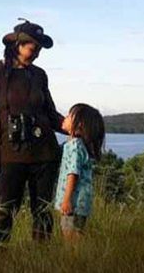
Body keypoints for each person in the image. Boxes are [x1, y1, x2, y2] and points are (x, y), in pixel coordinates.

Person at [0, 18, 68, 245]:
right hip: (11, 154)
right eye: (33, 47)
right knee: (4, 210)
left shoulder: (39, 75)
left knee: (43, 212)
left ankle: (42, 260)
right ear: (17, 45)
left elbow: (50, 113)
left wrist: (72, 126)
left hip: (45, 154)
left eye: (39, 49)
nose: (36, 53)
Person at [54, 103, 106, 241]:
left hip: (73, 202)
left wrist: (66, 200)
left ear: (79, 125)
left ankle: (76, 258)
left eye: (69, 116)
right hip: (81, 201)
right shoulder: (76, 145)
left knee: (70, 234)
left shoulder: (75, 146)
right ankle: (78, 256)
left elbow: (73, 173)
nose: (64, 118)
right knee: (75, 232)